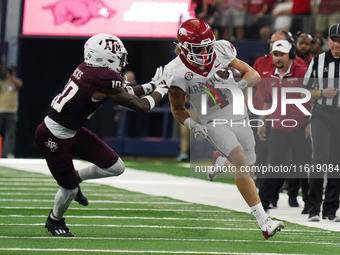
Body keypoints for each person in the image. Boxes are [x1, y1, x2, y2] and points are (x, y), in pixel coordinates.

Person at [35, 33, 173, 236]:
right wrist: (163, 88)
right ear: (105, 57)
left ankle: (76, 178)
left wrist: (153, 85)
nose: (121, 60)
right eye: (117, 55)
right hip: (53, 135)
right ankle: (55, 220)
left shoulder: (89, 70)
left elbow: (126, 92)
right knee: (69, 189)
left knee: (115, 167)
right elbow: (143, 106)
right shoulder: (104, 78)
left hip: (72, 130)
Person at [166, 18, 284, 239]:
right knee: (240, 160)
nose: (206, 51)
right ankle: (264, 221)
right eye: (199, 48)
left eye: (208, 45)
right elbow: (177, 108)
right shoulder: (176, 72)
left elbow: (253, 75)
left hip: (238, 111)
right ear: (184, 47)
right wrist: (192, 124)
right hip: (212, 118)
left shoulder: (221, 50)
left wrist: (238, 85)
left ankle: (222, 160)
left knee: (249, 167)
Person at [251, 30, 305, 210]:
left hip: (293, 122)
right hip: (267, 117)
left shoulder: (299, 66)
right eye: (274, 44)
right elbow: (257, 92)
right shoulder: (262, 63)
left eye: (281, 45)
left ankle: (298, 201)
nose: (277, 50)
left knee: (292, 163)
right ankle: (264, 199)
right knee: (266, 161)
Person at [302, 23, 340, 222]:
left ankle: (331, 210)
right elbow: (303, 91)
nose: (337, 44)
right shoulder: (318, 61)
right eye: (334, 40)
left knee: (336, 162)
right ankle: (314, 208)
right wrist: (321, 93)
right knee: (320, 159)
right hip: (322, 113)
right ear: (328, 41)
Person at [0, 66, 23, 158]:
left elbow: (19, 85)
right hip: (1, 110)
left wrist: (10, 77)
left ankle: (8, 153)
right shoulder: (2, 81)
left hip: (12, 111)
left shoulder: (16, 81)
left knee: (11, 134)